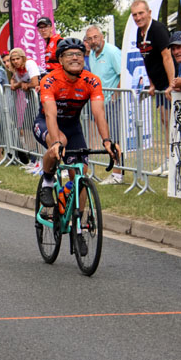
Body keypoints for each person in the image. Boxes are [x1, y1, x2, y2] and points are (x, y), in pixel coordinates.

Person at [33, 39, 119, 254]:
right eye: (69, 54)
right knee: (59, 142)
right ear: (60, 59)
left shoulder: (92, 81)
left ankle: (77, 226)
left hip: (73, 127)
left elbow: (99, 113)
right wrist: (54, 143)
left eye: (79, 54)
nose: (75, 57)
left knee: (80, 173)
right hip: (46, 123)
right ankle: (47, 181)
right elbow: (51, 114)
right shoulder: (50, 80)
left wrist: (107, 140)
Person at [132, 0, 175, 175]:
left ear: (149, 12)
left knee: (172, 121)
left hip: (169, 84)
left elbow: (167, 56)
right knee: (165, 121)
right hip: (159, 85)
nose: (138, 17)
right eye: (134, 15)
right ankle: (169, 159)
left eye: (141, 13)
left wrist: (171, 84)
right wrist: (152, 84)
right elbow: (146, 59)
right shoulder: (139, 33)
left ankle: (175, 159)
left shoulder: (157, 29)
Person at [85, 25, 125, 185]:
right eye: (90, 38)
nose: (93, 41)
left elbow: (123, 74)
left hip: (114, 102)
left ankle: (117, 174)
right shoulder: (93, 54)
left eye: (96, 37)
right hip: (100, 102)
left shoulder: (112, 51)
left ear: (102, 37)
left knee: (115, 137)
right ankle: (113, 171)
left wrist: (116, 94)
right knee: (107, 137)